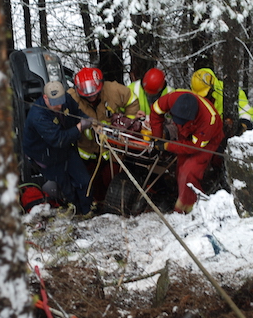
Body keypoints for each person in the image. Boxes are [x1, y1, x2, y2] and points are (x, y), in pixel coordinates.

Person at [68, 67, 143, 199]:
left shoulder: (113, 90)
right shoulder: (71, 98)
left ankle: (111, 203)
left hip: (111, 147)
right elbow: (62, 117)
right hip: (86, 148)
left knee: (112, 178)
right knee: (89, 180)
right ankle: (95, 202)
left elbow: (132, 101)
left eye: (94, 94)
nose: (91, 97)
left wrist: (127, 124)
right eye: (87, 95)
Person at [22, 80, 94, 215]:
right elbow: (58, 139)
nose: (59, 106)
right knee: (67, 189)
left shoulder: (66, 99)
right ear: (45, 98)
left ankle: (87, 211)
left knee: (84, 181)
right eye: (55, 103)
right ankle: (75, 212)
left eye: (61, 101)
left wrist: (87, 120)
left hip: (65, 149)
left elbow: (77, 113)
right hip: (45, 154)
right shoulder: (38, 115)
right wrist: (79, 127)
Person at [149, 91, 223, 214]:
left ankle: (190, 208)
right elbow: (156, 112)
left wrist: (167, 146)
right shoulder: (172, 99)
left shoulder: (209, 121)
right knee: (180, 169)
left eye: (180, 121)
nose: (177, 123)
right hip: (186, 132)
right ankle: (182, 196)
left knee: (188, 172)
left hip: (207, 141)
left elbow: (193, 147)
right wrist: (158, 139)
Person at [190, 68, 253, 132]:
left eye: (206, 94)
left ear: (212, 86)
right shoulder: (195, 99)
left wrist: (243, 124)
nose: (204, 97)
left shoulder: (230, 91)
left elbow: (246, 111)